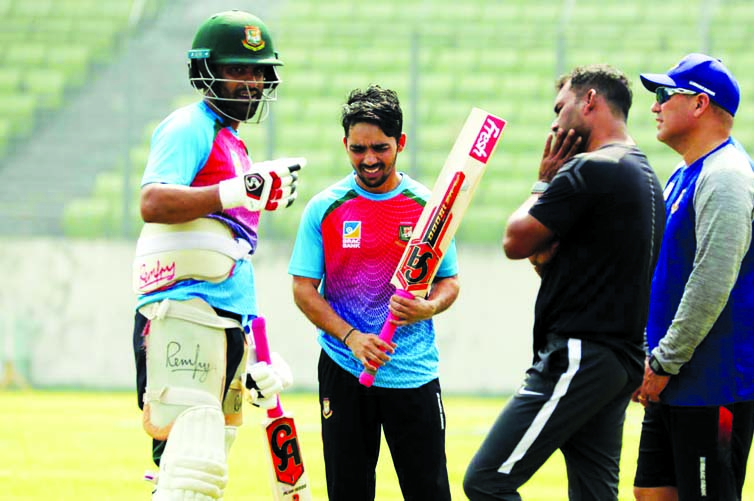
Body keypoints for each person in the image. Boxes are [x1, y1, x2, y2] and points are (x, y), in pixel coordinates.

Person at [463, 64, 666, 500]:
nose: (555, 122)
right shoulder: (645, 176)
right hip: (620, 361)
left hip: (581, 353)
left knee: (486, 480)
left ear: (589, 100)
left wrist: (543, 180)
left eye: (560, 107)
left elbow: (516, 240)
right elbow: (550, 261)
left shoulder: (591, 169)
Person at [131, 10, 301, 500]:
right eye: (238, 70)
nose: (251, 82)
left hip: (221, 320)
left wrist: (252, 352)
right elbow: (153, 202)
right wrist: (236, 191)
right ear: (207, 71)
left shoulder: (233, 142)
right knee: (191, 462)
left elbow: (229, 253)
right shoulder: (189, 126)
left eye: (257, 72)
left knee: (206, 461)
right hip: (182, 313)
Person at [289, 84, 460, 501]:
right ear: (345, 144)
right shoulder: (326, 207)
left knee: (430, 492)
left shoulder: (427, 208)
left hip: (413, 371)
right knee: (348, 493)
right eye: (358, 148)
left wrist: (428, 307)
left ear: (400, 143)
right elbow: (303, 289)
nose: (368, 159)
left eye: (380, 148)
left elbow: (449, 281)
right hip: (345, 367)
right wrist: (352, 338)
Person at [632, 53, 754, 501]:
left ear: (699, 104)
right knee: (652, 491)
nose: (655, 106)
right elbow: (666, 273)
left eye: (663, 94)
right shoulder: (685, 172)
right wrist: (649, 352)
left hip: (713, 380)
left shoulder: (726, 176)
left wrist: (662, 362)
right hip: (675, 374)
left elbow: (711, 281)